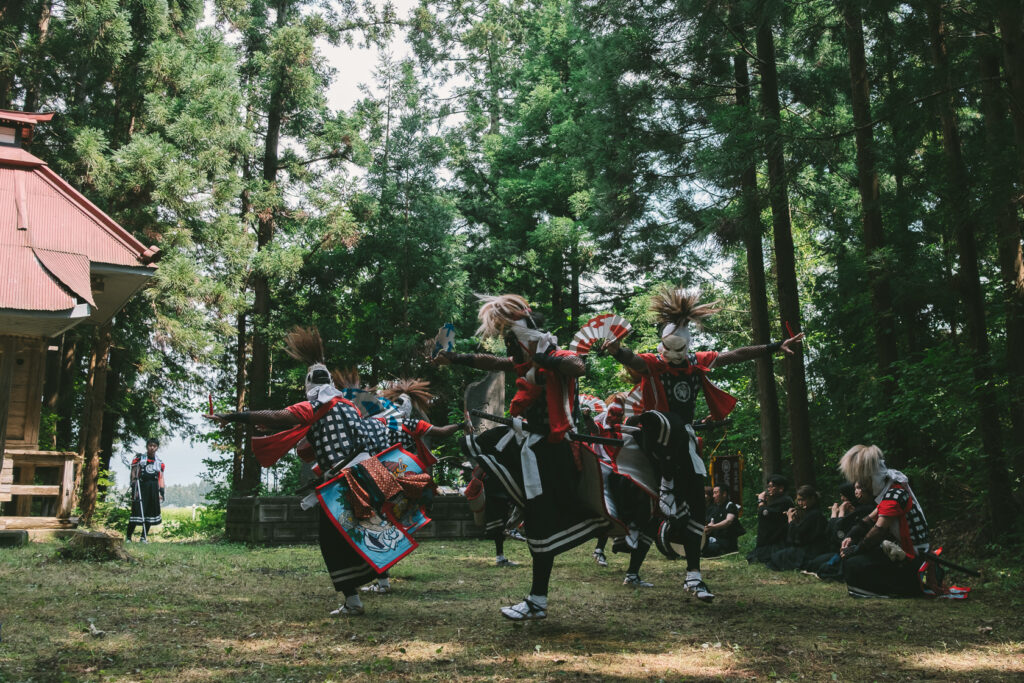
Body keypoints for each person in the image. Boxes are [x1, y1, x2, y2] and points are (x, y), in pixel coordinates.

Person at [208, 328, 442, 617]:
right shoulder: (348, 405)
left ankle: (354, 600)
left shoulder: (316, 405)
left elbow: (278, 416)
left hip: (344, 483)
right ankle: (376, 582)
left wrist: (234, 416)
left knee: (333, 539)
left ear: (309, 385)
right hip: (370, 475)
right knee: (365, 531)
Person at [600, 286, 804, 601]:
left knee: (696, 500)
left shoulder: (697, 362)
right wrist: (617, 351)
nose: (676, 356)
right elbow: (633, 360)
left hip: (683, 440)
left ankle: (693, 577)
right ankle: (645, 503)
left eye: (682, 350)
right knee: (663, 436)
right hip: (652, 436)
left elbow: (735, 355)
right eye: (671, 349)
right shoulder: (653, 363)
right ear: (663, 345)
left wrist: (775, 346)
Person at [436, 294, 607, 620]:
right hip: (532, 448)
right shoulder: (527, 362)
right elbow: (494, 363)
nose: (510, 351)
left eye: (513, 343)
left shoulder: (556, 355)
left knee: (541, 526)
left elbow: (578, 365)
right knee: (475, 444)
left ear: (527, 340)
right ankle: (510, 506)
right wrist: (455, 357)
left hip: (554, 454)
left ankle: (537, 601)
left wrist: (548, 361)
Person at [838, 444, 929, 598]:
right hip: (906, 552)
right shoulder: (891, 490)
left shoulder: (894, 495)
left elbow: (878, 530)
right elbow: (869, 520)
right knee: (854, 560)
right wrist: (850, 536)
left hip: (913, 558)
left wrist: (856, 549)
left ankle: (894, 589)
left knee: (853, 564)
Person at [766, 485, 829, 571]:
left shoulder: (815, 514)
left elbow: (797, 536)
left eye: (803, 500)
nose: (800, 503)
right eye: (798, 500)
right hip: (808, 548)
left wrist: (790, 520)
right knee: (775, 555)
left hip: (810, 551)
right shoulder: (811, 513)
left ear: (812, 499)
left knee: (777, 558)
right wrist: (795, 520)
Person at [747, 475, 794, 564]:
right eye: (768, 486)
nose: (769, 489)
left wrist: (761, 501)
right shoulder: (778, 500)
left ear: (781, 488)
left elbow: (765, 513)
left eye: (771, 486)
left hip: (780, 541)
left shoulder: (785, 501)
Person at [127, 438, 164, 542]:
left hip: (153, 488)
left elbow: (161, 477)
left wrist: (161, 491)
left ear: (157, 448)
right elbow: (133, 471)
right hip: (141, 486)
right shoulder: (140, 459)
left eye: (154, 446)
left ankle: (143, 537)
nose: (152, 448)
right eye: (150, 445)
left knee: (149, 513)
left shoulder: (159, 462)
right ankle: (128, 537)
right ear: (147, 446)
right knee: (136, 511)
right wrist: (134, 486)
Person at [703, 484, 742, 557]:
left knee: (706, 549)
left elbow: (728, 521)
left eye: (716, 493)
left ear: (724, 494)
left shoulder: (730, 505)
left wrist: (713, 527)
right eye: (713, 493)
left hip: (727, 543)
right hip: (716, 540)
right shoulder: (716, 508)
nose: (713, 496)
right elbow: (711, 523)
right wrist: (707, 529)